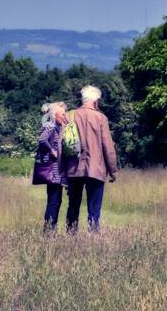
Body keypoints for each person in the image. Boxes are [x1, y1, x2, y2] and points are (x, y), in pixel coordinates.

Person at [63, 85, 118, 233]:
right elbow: (108, 146)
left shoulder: (68, 116)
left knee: (73, 205)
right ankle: (93, 236)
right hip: (96, 169)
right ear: (96, 102)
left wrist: (62, 172)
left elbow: (61, 145)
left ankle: (70, 236)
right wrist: (113, 171)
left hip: (74, 169)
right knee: (94, 208)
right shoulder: (101, 118)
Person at [31, 101, 68, 232]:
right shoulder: (51, 127)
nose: (65, 116)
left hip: (56, 171)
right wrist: (52, 150)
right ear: (54, 115)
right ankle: (48, 232)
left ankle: (50, 230)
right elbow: (42, 139)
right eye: (62, 114)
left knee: (56, 201)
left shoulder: (57, 127)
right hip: (53, 171)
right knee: (54, 201)